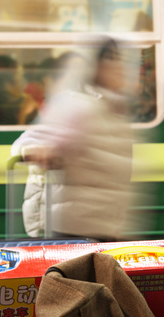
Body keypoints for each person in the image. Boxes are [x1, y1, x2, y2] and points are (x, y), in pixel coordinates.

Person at [10, 37, 136, 241]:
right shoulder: (77, 106)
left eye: (120, 60)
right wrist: (36, 150)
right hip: (76, 229)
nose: (121, 68)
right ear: (96, 68)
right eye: (112, 61)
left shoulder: (116, 111)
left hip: (105, 226)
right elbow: (27, 142)